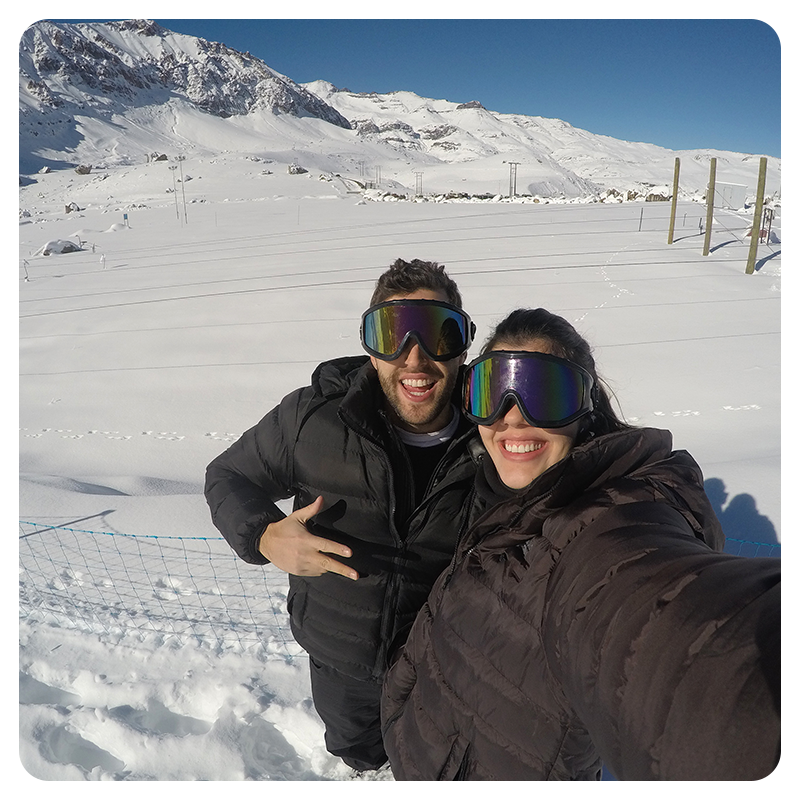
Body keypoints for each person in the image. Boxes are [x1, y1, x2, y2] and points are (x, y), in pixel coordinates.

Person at [380, 307, 782, 783]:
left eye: (545, 395)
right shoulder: (490, 489)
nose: (512, 416)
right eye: (491, 391)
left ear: (585, 408)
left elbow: (643, 611)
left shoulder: (605, 525)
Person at [204, 258, 485, 772]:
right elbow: (228, 475)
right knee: (358, 754)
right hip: (340, 658)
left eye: (440, 334)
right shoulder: (313, 418)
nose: (415, 358)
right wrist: (264, 535)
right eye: (392, 335)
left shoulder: (498, 434)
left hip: (442, 668)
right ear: (370, 348)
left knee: (433, 763)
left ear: (463, 345)